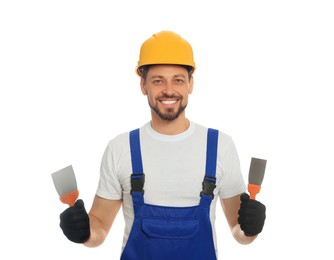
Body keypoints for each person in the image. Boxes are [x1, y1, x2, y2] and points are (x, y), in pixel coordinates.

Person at [59, 31, 266, 259]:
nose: (169, 90)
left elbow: (239, 232)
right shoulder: (120, 148)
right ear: (143, 85)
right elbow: (99, 228)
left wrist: (251, 228)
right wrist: (82, 231)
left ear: (191, 84)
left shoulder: (220, 146)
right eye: (158, 80)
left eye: (178, 79)